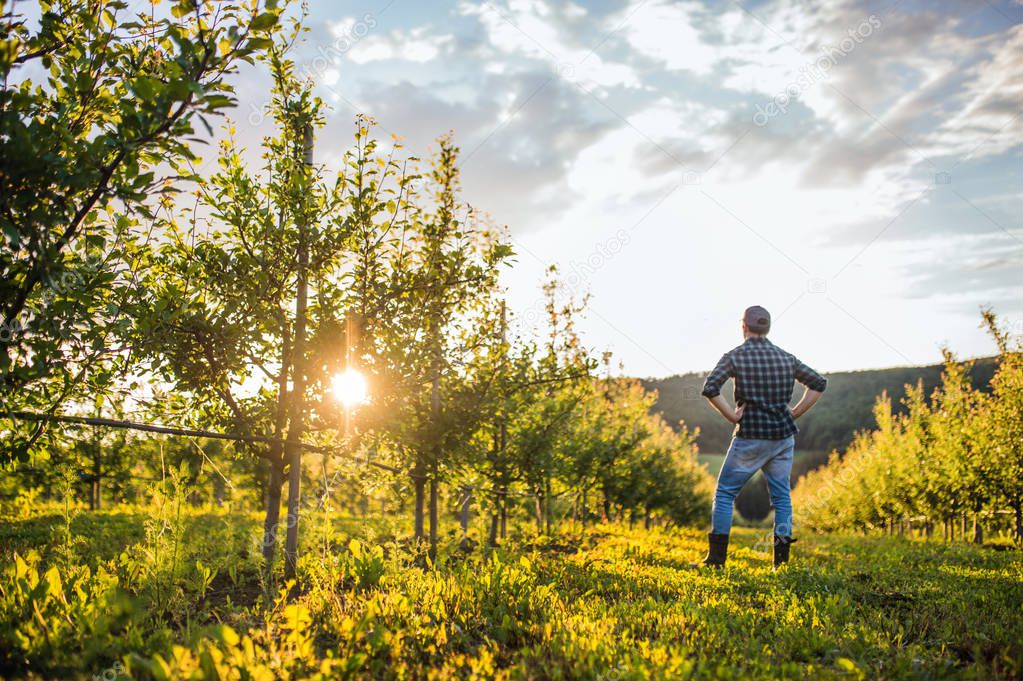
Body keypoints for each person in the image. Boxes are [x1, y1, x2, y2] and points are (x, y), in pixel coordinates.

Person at [694, 305, 827, 568]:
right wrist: (795, 413)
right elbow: (819, 383)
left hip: (750, 438)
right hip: (782, 438)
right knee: (781, 498)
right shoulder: (786, 357)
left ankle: (716, 560)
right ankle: (781, 564)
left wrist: (733, 416)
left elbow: (710, 388)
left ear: (743, 326)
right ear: (767, 328)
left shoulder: (735, 356)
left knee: (724, 494)